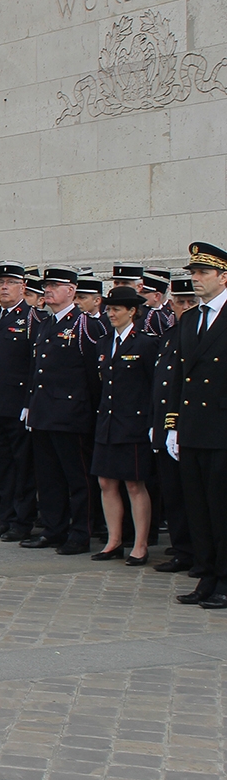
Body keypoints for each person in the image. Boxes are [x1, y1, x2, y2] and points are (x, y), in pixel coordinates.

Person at [21, 266, 105, 556]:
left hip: (72, 413)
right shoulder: (45, 323)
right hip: (45, 412)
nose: (48, 290)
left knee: (78, 478)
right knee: (49, 477)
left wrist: (90, 411)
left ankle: (81, 532)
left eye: (55, 285)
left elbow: (95, 374)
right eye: (46, 285)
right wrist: (30, 406)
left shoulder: (84, 324)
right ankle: (54, 529)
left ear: (71, 290)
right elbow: (37, 368)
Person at [166, 241, 227, 608]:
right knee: (198, 507)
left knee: (221, 507)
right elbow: (178, 377)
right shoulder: (190, 319)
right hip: (192, 427)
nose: (196, 279)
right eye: (193, 273)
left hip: (221, 428)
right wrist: (173, 424)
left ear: (224, 276)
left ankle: (225, 577)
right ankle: (206, 574)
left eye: (203, 272)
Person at [90, 286, 158, 564]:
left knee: (134, 484)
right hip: (108, 421)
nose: (111, 314)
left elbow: (155, 387)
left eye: (117, 309)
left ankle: (140, 544)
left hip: (133, 423)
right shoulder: (105, 343)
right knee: (106, 481)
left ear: (132, 311)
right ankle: (113, 540)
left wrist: (153, 423)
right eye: (108, 309)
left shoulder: (145, 343)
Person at [0, 262, 38, 542]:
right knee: (0, 465)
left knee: (21, 467)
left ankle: (22, 521)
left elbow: (36, 365)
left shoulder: (33, 319)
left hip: (16, 405)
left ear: (23, 287)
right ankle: (6, 516)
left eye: (10, 283)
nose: (3, 288)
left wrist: (28, 403)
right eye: (0, 283)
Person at [151, 276, 197, 573]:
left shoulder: (198, 335)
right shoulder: (169, 335)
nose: (184, 307)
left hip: (186, 425)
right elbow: (160, 383)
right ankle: (182, 549)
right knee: (173, 492)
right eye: (179, 302)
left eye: (190, 301)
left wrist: (175, 424)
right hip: (164, 424)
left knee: (192, 495)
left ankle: (196, 551)